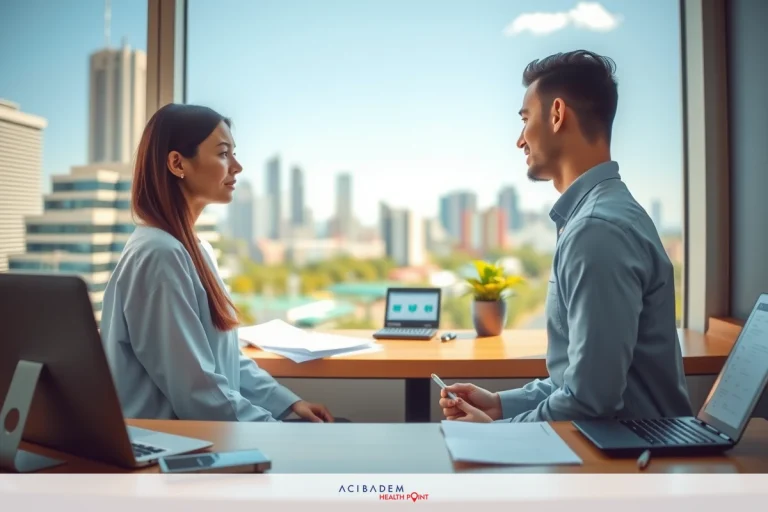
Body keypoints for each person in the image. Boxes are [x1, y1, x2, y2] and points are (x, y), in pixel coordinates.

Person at [439, 50, 692, 423]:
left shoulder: (596, 231)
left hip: (627, 464)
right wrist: (499, 404)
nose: (520, 140)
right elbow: (576, 382)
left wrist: (498, 431)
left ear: (557, 114)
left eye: (525, 120)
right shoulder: (600, 216)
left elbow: (589, 402)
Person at [100, 103, 336, 423]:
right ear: (177, 163)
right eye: (224, 153)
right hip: (175, 448)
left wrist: (287, 404)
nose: (236, 167)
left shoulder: (196, 249)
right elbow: (198, 393)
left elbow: (225, 361)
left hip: (205, 435)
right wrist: (281, 433)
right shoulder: (159, 255)